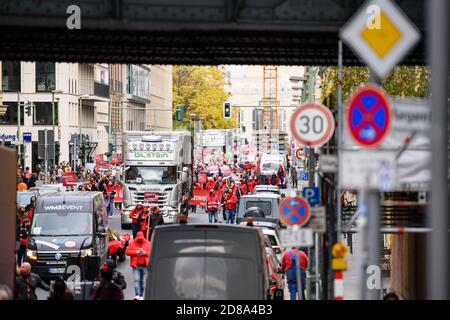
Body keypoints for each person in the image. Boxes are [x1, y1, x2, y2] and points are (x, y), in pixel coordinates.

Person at [126, 231, 151, 300]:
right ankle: (137, 295)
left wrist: (144, 252)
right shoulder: (132, 243)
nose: (140, 240)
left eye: (141, 239)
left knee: (142, 282)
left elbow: (151, 252)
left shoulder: (148, 243)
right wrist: (136, 252)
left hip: (145, 266)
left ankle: (141, 296)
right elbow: (127, 252)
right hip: (136, 266)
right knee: (137, 281)